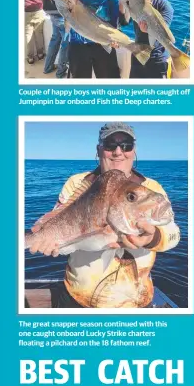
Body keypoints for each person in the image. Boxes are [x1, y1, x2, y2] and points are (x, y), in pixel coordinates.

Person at [25, 122, 180, 309]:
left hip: (135, 302)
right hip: (77, 298)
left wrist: (153, 237)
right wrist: (43, 238)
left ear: (133, 150)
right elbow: (58, 219)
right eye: (110, 145)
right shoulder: (77, 183)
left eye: (126, 145)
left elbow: (173, 234)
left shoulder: (152, 188)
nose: (118, 151)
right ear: (99, 150)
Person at [128, 0, 174, 80]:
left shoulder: (164, 5)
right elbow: (124, 21)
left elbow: (164, 30)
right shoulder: (133, 3)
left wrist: (149, 30)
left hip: (158, 58)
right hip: (138, 55)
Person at [38, 0, 71, 77]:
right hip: (61, 14)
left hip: (50, 13)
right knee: (66, 43)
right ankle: (61, 73)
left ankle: (47, 67)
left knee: (55, 40)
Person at [24, 0, 45, 64]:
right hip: (38, 9)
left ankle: (30, 57)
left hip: (26, 10)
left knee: (28, 34)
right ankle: (40, 54)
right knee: (39, 33)